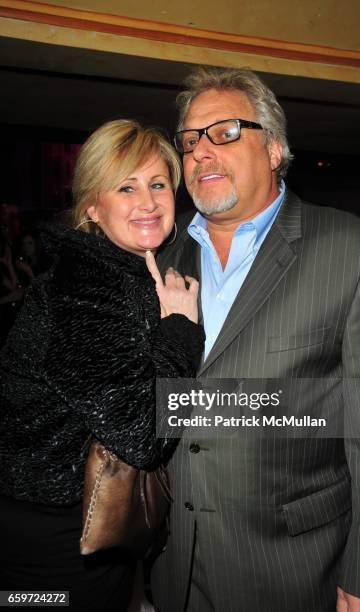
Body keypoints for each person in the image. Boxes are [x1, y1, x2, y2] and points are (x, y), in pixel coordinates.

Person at [151, 67, 360, 612]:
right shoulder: (161, 260)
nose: (200, 151)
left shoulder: (354, 252)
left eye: (223, 132)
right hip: (175, 567)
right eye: (190, 139)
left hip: (295, 571)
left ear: (273, 149)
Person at [0, 119, 204, 612]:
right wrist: (179, 327)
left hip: (75, 520)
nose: (149, 201)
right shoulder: (84, 286)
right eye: (126, 187)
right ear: (93, 206)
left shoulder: (118, 271)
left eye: (158, 184)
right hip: (52, 537)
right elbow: (139, 431)